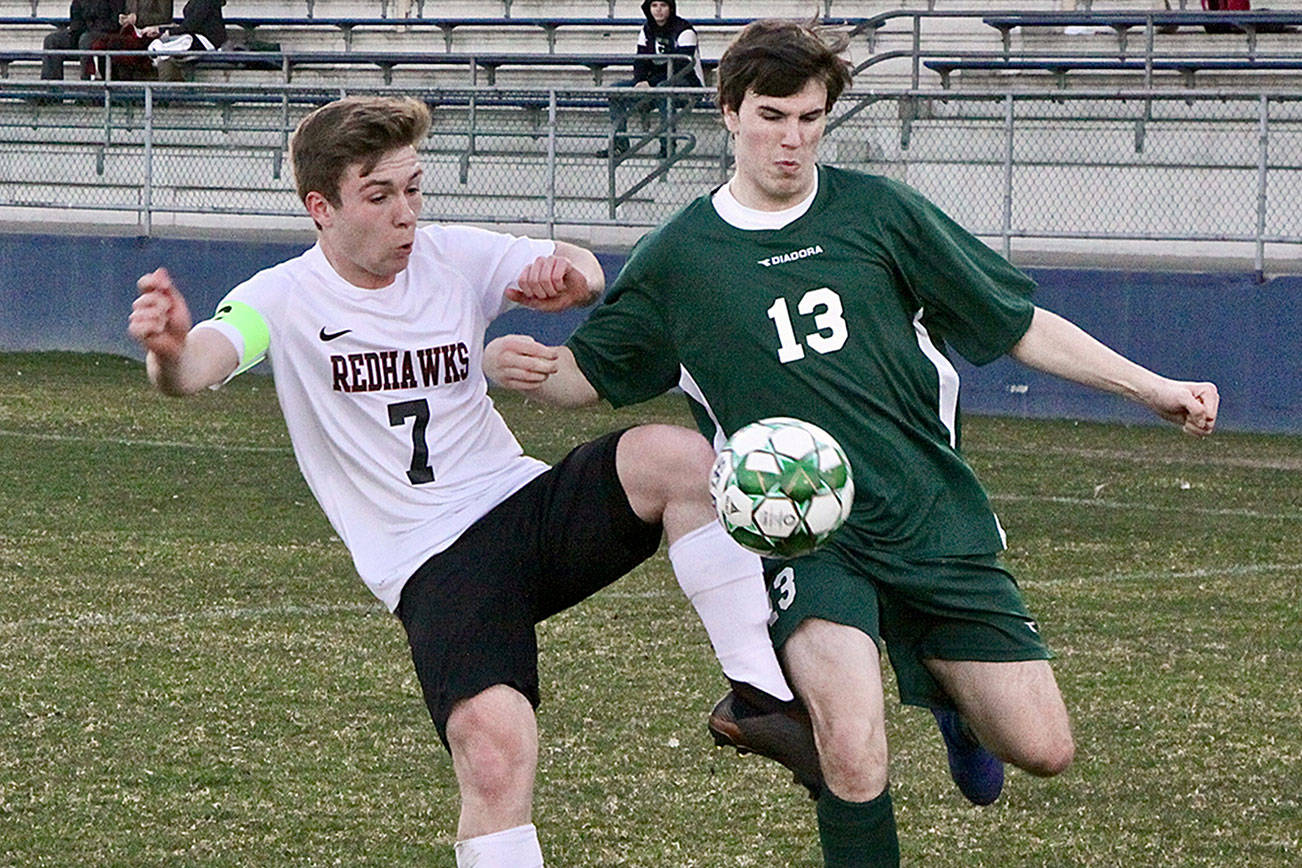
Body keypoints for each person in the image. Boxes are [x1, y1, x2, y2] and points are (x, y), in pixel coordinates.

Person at [483, 19, 1220, 867]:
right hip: (806, 530)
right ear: (729, 112)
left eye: (809, 118)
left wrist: (1153, 388)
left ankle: (951, 700)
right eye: (771, 116)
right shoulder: (679, 257)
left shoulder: (880, 213)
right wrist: (521, 365)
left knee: (1044, 748)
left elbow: (1015, 324)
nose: (791, 139)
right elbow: (588, 375)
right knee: (853, 750)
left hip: (927, 512)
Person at [127, 95, 815, 867]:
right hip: (431, 562)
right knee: (494, 751)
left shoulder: (450, 254)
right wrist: (170, 350)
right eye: (379, 197)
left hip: (519, 507)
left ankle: (761, 698)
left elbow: (581, 265)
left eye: (414, 188)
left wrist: (570, 276)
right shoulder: (280, 297)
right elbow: (200, 365)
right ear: (321, 208)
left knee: (677, 459)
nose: (406, 215)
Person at [596, 0, 705, 159]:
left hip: (688, 85)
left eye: (663, 5)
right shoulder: (646, 30)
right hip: (654, 83)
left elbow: (681, 67)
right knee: (616, 90)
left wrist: (650, 83)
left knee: (663, 89)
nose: (658, 10)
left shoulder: (685, 31)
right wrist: (640, 80)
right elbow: (641, 60)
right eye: (654, 6)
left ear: (671, 8)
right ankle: (620, 145)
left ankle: (668, 146)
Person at [142, 0, 226, 80]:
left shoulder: (205, 2)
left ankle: (161, 50)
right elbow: (188, 25)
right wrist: (163, 30)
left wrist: (164, 31)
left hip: (205, 41)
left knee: (183, 42)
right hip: (196, 38)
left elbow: (192, 24)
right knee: (167, 56)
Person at [41, 0, 124, 80]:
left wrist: (91, 28)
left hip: (105, 33)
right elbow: (75, 15)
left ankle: (86, 82)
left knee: (85, 40)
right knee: (52, 40)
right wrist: (76, 30)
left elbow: (115, 22)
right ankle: (51, 85)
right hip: (81, 31)